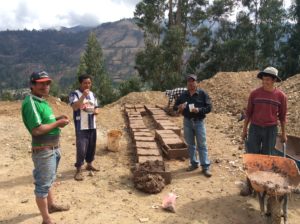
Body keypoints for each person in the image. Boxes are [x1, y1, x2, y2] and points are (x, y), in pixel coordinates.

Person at [22, 71, 70, 224]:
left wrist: (57, 118)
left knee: (49, 180)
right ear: (32, 85)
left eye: (47, 83)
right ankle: (46, 220)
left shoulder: (41, 101)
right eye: (41, 83)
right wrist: (57, 124)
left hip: (52, 148)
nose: (45, 86)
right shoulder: (31, 102)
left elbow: (45, 121)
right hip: (44, 150)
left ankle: (51, 205)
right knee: (42, 185)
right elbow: (36, 130)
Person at [240, 66, 287, 196]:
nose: (264, 81)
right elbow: (248, 113)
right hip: (255, 128)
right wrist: (244, 130)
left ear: (274, 80)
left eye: (268, 79)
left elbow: (282, 117)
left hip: (271, 130)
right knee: (251, 156)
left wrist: (283, 134)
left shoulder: (281, 96)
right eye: (263, 79)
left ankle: (263, 185)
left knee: (267, 158)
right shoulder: (254, 94)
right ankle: (249, 185)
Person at [174, 74, 212, 177]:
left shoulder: (202, 94)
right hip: (187, 122)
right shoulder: (183, 95)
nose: (191, 83)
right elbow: (174, 107)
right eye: (189, 82)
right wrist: (179, 107)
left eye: (193, 81)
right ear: (187, 83)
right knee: (190, 144)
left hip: (199, 122)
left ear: (196, 83)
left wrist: (199, 110)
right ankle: (194, 163)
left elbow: (209, 108)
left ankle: (205, 167)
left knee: (202, 144)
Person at [69, 74, 100, 181]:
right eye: (85, 83)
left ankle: (89, 164)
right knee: (81, 148)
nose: (87, 85)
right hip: (81, 126)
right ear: (80, 83)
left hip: (92, 125)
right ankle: (78, 169)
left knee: (92, 146)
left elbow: (96, 106)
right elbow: (74, 106)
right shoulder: (75, 94)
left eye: (89, 83)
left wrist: (96, 111)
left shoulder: (93, 95)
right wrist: (83, 96)